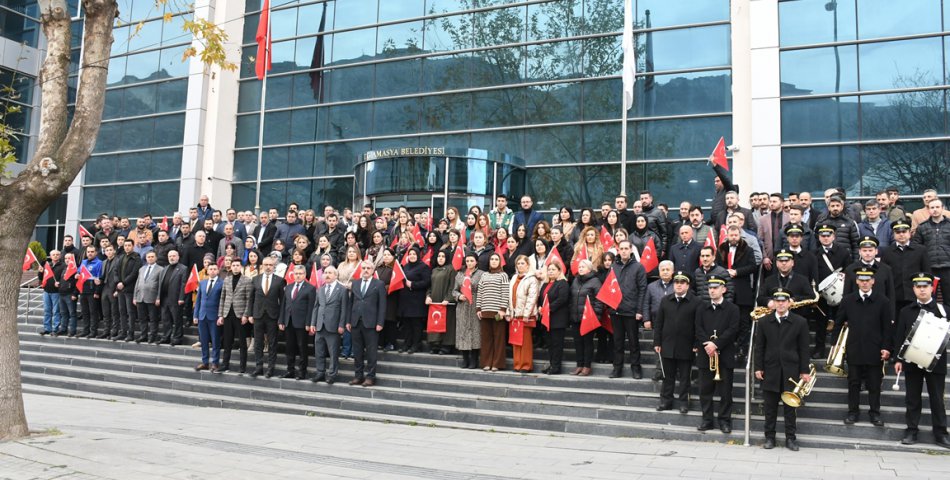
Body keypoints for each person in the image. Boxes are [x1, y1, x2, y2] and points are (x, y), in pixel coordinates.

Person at [892, 272, 950, 448]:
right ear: (914, 289)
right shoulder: (906, 311)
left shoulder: (944, 310)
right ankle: (911, 431)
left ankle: (941, 433)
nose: (922, 290)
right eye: (919, 287)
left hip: (936, 362)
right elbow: (899, 336)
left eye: (925, 286)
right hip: (911, 359)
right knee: (912, 398)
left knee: (937, 398)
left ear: (931, 288)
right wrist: (898, 359)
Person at [754, 288, 811, 451]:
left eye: (783, 301)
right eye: (777, 300)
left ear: (789, 303)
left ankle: (790, 439)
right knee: (770, 408)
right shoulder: (764, 321)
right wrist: (758, 367)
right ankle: (769, 438)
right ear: (774, 302)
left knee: (790, 408)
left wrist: (804, 370)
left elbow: (804, 349)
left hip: (791, 370)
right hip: (770, 369)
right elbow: (759, 347)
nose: (780, 303)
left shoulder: (800, 322)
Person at [834, 265, 892, 426]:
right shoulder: (848, 300)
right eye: (861, 280)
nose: (864, 283)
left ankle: (875, 413)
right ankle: (853, 412)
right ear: (857, 281)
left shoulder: (883, 301)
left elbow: (887, 328)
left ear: (873, 281)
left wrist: (887, 347)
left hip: (875, 349)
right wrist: (835, 346)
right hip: (854, 348)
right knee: (853, 383)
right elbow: (838, 323)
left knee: (874, 384)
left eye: (868, 280)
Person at [695, 274, 740, 433]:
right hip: (705, 355)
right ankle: (707, 420)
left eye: (715, 288)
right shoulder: (701, 308)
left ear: (724, 289)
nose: (712, 291)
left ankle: (724, 420)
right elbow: (698, 328)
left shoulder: (733, 309)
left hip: (725, 355)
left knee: (725, 391)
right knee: (704, 390)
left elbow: (733, 330)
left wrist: (716, 344)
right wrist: (708, 345)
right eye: (710, 288)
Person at [653, 271, 699, 413]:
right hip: (668, 345)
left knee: (685, 377)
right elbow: (659, 323)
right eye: (676, 282)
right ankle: (666, 401)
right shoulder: (666, 300)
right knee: (668, 377)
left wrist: (696, 344)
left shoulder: (696, 301)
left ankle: (684, 402)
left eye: (682, 283)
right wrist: (657, 342)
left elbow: (698, 325)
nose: (678, 285)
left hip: (686, 346)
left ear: (688, 285)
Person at [717, 225, 757, 360]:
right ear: (727, 235)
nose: (733, 238)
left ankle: (742, 348)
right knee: (726, 321)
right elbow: (717, 266)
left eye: (736, 235)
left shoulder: (748, 249)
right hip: (725, 290)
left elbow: (753, 266)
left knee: (743, 321)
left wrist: (737, 272)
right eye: (731, 235)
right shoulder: (721, 249)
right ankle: (727, 347)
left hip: (742, 290)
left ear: (739, 235)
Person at [610, 240, 648, 379]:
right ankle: (617, 369)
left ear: (631, 250)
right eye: (621, 248)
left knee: (634, 342)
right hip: (616, 311)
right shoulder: (613, 266)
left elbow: (643, 289)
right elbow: (609, 287)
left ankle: (636, 369)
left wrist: (640, 310)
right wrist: (610, 306)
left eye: (626, 248)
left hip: (631, 311)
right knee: (617, 342)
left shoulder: (638, 267)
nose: (624, 251)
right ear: (618, 250)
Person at [347, 261, 387, 387]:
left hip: (371, 323)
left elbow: (382, 305)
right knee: (357, 351)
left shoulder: (379, 284)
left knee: (371, 352)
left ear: (372, 270)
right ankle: (358, 376)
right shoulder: (355, 283)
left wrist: (380, 322)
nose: (365, 270)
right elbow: (350, 303)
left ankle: (370, 377)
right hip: (355, 322)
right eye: (363, 268)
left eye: (368, 268)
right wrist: (348, 320)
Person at [880, 220, 929, 313]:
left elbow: (927, 273)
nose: (901, 234)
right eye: (898, 232)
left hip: (915, 295)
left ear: (910, 232)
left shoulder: (920, 250)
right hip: (894, 296)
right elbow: (884, 275)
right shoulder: (887, 252)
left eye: (904, 231)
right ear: (893, 234)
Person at [842, 236, 896, 321]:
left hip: (880, 313)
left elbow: (890, 295)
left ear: (876, 251)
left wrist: (891, 316)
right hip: (857, 314)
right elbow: (846, 294)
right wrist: (845, 318)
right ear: (859, 252)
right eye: (864, 250)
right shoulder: (850, 269)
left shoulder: (886, 269)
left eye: (870, 250)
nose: (867, 253)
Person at [247, 256, 285, 378]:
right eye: (266, 265)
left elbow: (283, 301)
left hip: (273, 316)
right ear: (262, 265)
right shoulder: (255, 279)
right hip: (258, 315)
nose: (268, 267)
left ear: (274, 266)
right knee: (258, 342)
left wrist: (281, 318)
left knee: (272, 343)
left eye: (270, 265)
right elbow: (251, 298)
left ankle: (270, 368)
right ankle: (259, 367)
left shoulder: (279, 280)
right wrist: (250, 314)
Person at [309, 266, 348, 384]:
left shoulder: (342, 289)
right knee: (319, 351)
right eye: (325, 272)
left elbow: (344, 309)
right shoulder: (320, 289)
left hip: (333, 326)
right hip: (320, 325)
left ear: (336, 275)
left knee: (333, 352)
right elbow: (316, 307)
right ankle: (320, 372)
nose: (327, 275)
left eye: (330, 273)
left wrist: (341, 325)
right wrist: (313, 323)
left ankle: (332, 374)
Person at [278, 265, 316, 380]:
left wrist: (309, 323)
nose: (298, 275)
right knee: (289, 348)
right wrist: (281, 320)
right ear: (293, 275)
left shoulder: (310, 288)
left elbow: (311, 308)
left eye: (300, 273)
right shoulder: (288, 287)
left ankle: (302, 372)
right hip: (289, 322)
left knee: (302, 348)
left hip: (302, 323)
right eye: (296, 273)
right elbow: (284, 305)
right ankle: (290, 370)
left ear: (304, 275)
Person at [217, 258, 253, 374]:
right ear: (231, 267)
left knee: (242, 343)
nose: (236, 267)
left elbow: (249, 299)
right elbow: (222, 298)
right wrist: (221, 315)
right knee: (227, 341)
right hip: (227, 314)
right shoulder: (226, 280)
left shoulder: (247, 280)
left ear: (241, 267)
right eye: (234, 265)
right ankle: (225, 364)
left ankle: (242, 366)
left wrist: (246, 315)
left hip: (240, 315)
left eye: (238, 265)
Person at [911, 198, 950, 303]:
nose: (935, 209)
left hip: (948, 267)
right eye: (932, 207)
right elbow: (916, 247)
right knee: (930, 299)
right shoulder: (922, 227)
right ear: (928, 209)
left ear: (942, 208)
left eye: (937, 207)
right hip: (930, 268)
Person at [476, 253, 510, 372]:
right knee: (486, 338)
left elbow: (505, 293)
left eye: (496, 259)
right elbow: (480, 292)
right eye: (492, 259)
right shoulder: (484, 275)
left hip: (497, 313)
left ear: (500, 262)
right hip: (485, 311)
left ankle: (497, 363)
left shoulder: (503, 275)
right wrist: (478, 308)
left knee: (498, 338)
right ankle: (486, 362)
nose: (494, 261)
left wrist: (502, 309)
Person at [570, 259, 603, 376]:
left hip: (588, 318)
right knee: (577, 342)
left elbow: (599, 301)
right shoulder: (575, 280)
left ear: (589, 269)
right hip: (575, 317)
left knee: (587, 342)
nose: (580, 268)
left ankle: (587, 366)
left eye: (583, 266)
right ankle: (579, 365)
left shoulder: (595, 281)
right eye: (579, 266)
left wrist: (596, 316)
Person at [509, 255, 540, 373]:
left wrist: (527, 313)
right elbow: (510, 297)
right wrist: (509, 311)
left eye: (523, 263)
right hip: (515, 314)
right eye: (518, 263)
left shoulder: (531, 279)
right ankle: (517, 365)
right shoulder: (513, 278)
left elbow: (532, 298)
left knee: (525, 342)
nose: (520, 265)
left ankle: (526, 365)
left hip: (525, 316)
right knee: (515, 342)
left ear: (528, 265)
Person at [398, 247, 432, 354]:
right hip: (406, 301)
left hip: (417, 301)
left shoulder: (424, 267)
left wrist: (413, 284)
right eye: (410, 254)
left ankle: (416, 345)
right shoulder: (406, 266)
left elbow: (427, 282)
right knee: (407, 325)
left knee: (416, 325)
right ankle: (407, 344)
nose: (412, 256)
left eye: (414, 254)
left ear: (418, 255)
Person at [453, 253, 483, 369]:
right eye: (467, 261)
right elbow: (454, 290)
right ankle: (465, 359)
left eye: (472, 261)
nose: (469, 263)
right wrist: (459, 296)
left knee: (475, 331)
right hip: (462, 306)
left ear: (476, 262)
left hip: (475, 304)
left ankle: (474, 360)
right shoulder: (460, 275)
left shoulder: (481, 274)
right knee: (463, 331)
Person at [539, 260, 570, 374]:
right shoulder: (546, 284)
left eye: (553, 269)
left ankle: (556, 367)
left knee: (557, 344)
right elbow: (541, 298)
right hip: (547, 319)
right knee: (550, 344)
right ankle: (552, 364)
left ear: (559, 271)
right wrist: (539, 307)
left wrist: (548, 308)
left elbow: (562, 299)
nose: (551, 272)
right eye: (549, 269)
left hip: (558, 319)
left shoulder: (563, 283)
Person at [193, 263, 223, 373]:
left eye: (215, 269)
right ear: (207, 270)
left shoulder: (222, 283)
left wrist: (221, 315)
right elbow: (198, 300)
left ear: (218, 271)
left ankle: (215, 363)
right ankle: (205, 362)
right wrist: (196, 315)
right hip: (202, 315)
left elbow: (222, 301)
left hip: (214, 316)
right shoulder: (203, 282)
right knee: (204, 341)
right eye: (211, 269)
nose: (213, 271)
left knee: (215, 341)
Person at [426, 250, 456, 355]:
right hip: (435, 302)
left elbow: (453, 286)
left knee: (446, 323)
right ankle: (435, 345)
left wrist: (448, 298)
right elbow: (430, 286)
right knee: (436, 323)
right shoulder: (434, 270)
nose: (441, 258)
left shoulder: (451, 269)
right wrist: (428, 296)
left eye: (443, 256)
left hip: (446, 303)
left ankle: (446, 346)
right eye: (439, 256)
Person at [815, 195, 860, 262]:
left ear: (842, 207)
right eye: (832, 206)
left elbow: (856, 245)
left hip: (846, 260)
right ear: (828, 208)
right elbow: (816, 244)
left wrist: (855, 262)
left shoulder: (850, 223)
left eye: (837, 205)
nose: (835, 208)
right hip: (825, 260)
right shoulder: (820, 223)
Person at [156, 249, 187, 345]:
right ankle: (166, 337)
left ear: (178, 257)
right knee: (165, 319)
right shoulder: (165, 268)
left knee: (177, 319)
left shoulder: (183, 268)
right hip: (164, 298)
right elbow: (160, 284)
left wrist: (181, 298)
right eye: (170, 256)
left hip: (176, 298)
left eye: (173, 256)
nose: (171, 258)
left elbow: (183, 284)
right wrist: (158, 297)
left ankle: (177, 338)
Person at [132, 251, 162, 343]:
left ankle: (152, 336)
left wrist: (158, 297)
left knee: (153, 318)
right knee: (142, 318)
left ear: (156, 258)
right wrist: (135, 297)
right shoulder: (142, 269)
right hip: (140, 297)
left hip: (152, 297)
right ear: (146, 258)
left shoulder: (160, 269)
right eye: (148, 257)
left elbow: (161, 285)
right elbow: (138, 283)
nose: (150, 258)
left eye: (152, 257)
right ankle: (143, 335)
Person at [114, 239, 141, 341]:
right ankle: (123, 332)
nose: (127, 247)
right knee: (122, 311)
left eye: (129, 245)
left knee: (130, 312)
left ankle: (131, 333)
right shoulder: (121, 257)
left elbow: (134, 274)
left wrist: (123, 283)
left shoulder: (136, 258)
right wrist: (118, 282)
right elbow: (116, 271)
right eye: (125, 245)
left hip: (129, 288)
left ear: (133, 246)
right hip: (121, 289)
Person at [78, 245, 103, 338]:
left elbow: (99, 278)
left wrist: (97, 292)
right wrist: (77, 274)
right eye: (88, 252)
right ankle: (85, 330)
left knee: (93, 312)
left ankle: (93, 331)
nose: (90, 253)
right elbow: (79, 272)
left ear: (96, 253)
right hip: (83, 290)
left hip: (92, 291)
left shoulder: (99, 263)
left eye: (92, 252)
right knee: (85, 312)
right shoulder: (84, 262)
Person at [39, 250, 63, 336]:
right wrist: (40, 272)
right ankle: (47, 328)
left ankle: (55, 328)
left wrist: (59, 283)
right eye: (53, 255)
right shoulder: (47, 265)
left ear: (60, 256)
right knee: (47, 311)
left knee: (56, 311)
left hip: (56, 292)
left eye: (57, 255)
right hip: (46, 291)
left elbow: (64, 277)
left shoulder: (63, 265)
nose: (55, 256)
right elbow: (41, 278)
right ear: (50, 256)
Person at [98, 244, 119, 339]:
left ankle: (114, 331)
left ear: (114, 251)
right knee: (105, 312)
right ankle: (106, 330)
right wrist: (98, 280)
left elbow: (120, 275)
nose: (109, 252)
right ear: (105, 252)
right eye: (107, 250)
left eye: (111, 250)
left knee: (114, 311)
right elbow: (102, 276)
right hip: (105, 288)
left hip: (113, 288)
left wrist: (117, 290)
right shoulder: (104, 262)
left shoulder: (118, 261)